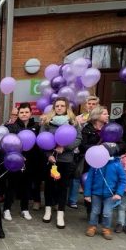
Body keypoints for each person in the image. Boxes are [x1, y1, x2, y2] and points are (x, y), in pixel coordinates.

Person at [41, 97, 81, 228]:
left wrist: (65, 147)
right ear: (54, 108)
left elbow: (78, 139)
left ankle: (60, 213)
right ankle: (47, 210)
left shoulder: (73, 122)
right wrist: (48, 155)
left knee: (63, 187)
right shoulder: (47, 122)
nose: (59, 108)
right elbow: (42, 140)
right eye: (57, 106)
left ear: (67, 107)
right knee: (49, 186)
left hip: (66, 160)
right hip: (51, 160)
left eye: (62, 106)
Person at [4, 103, 43, 220]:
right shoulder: (12, 127)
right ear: (18, 114)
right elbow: (9, 144)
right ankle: (6, 209)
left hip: (31, 161)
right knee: (11, 185)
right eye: (21, 112)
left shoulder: (37, 127)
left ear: (30, 113)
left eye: (26, 112)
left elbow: (39, 144)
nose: (24, 114)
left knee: (26, 185)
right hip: (15, 161)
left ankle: (24, 209)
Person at [84, 143, 126, 240]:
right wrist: (87, 193)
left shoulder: (117, 164)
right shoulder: (95, 164)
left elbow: (123, 180)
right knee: (95, 211)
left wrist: (119, 193)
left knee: (107, 212)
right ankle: (92, 226)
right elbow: (89, 179)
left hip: (110, 195)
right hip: (96, 193)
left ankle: (106, 229)